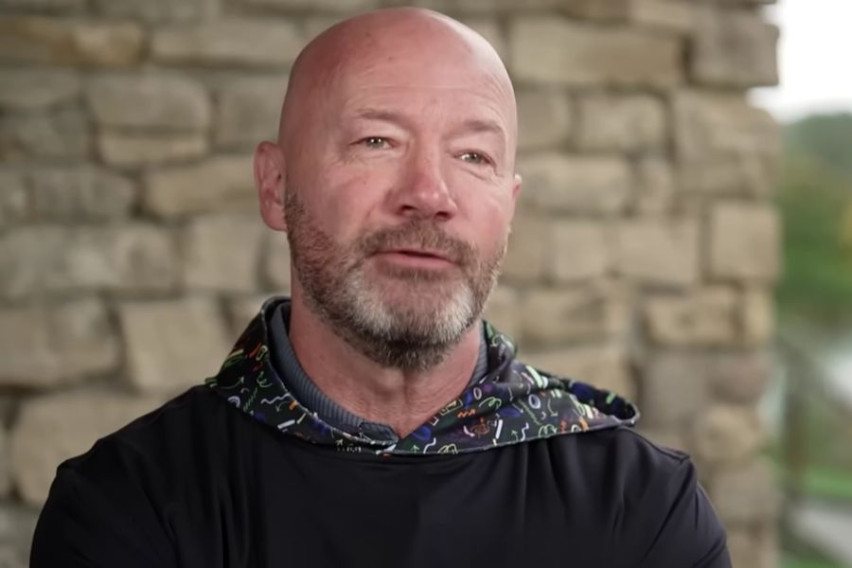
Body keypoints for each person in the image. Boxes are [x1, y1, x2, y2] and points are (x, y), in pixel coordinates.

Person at [31, 7, 730, 567]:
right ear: (276, 186)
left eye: (473, 155)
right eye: (376, 142)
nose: (429, 194)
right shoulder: (129, 505)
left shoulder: (643, 508)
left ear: (510, 207)